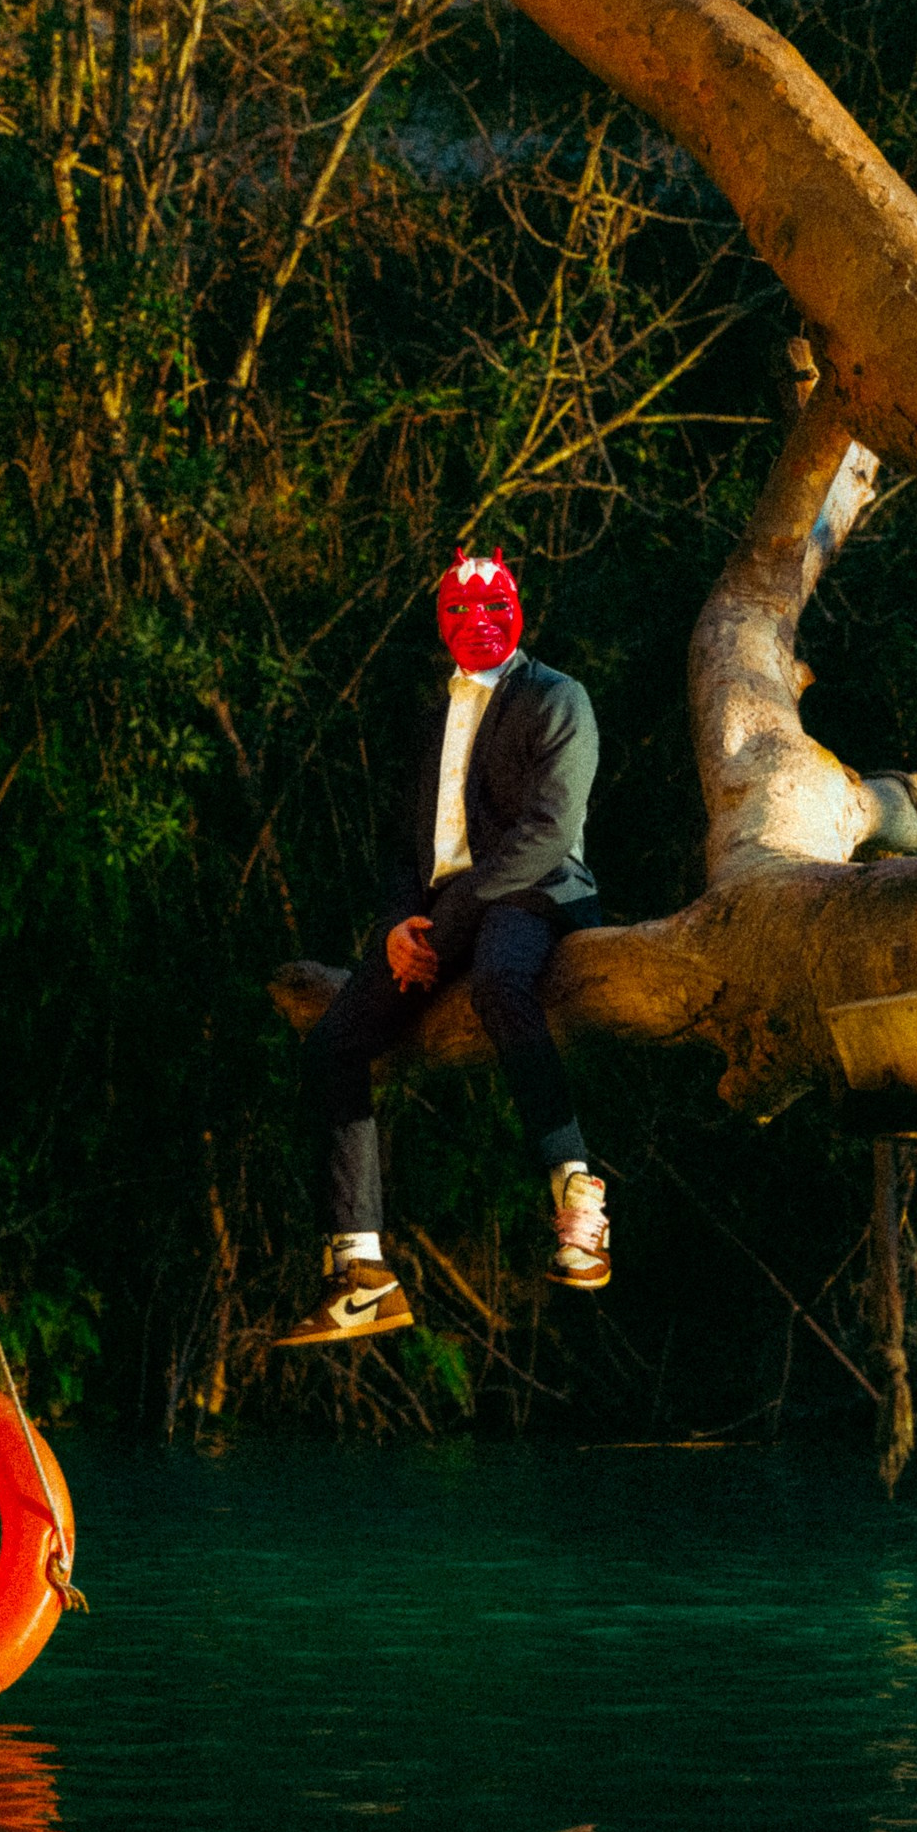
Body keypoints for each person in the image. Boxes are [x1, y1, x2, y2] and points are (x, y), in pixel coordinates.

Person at [275, 549, 609, 1349]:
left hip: (530, 895)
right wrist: (398, 924)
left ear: (517, 604)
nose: (477, 620)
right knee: (334, 1045)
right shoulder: (436, 717)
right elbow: (407, 844)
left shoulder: (558, 696)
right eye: (458, 609)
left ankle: (579, 1196)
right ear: (439, 622)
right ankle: (363, 1272)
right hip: (433, 918)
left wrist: (450, 917)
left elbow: (548, 831)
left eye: (492, 603)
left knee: (500, 983)